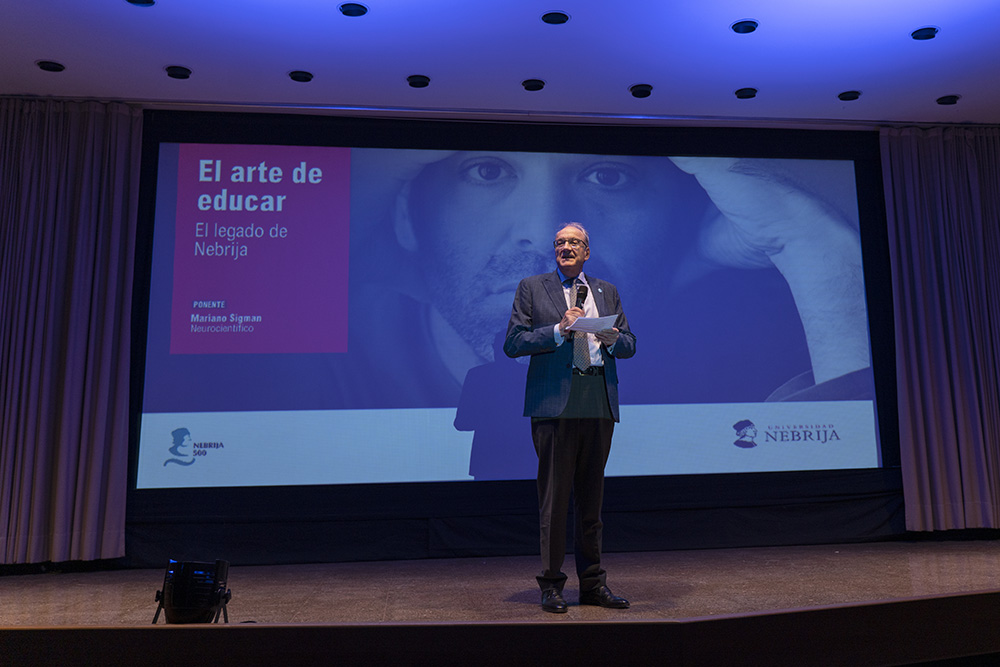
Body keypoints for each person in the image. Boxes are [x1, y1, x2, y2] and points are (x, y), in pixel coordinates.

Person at [504, 222, 636, 613]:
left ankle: (593, 584)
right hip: (555, 404)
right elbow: (514, 342)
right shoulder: (533, 287)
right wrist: (558, 331)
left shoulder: (606, 291)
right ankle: (551, 585)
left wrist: (612, 338)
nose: (566, 247)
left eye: (574, 242)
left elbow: (629, 344)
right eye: (560, 242)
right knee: (555, 501)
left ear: (587, 252)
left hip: (597, 399)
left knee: (591, 504)